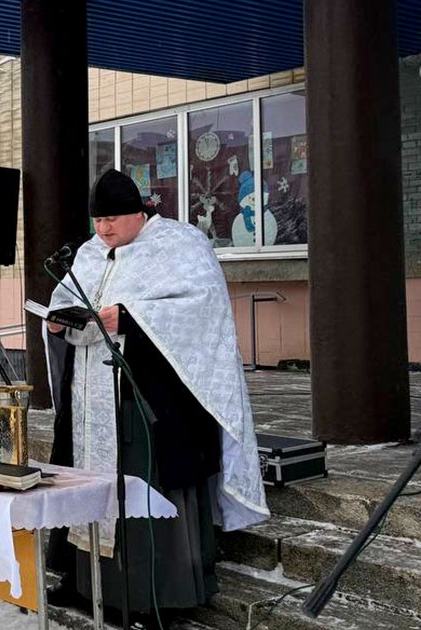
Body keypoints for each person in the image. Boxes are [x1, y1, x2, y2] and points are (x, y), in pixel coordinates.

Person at [43, 169, 268, 623]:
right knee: (88, 487)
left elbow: (199, 313)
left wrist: (127, 318)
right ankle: (86, 584)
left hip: (149, 401)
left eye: (113, 219)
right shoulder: (90, 253)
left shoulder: (180, 246)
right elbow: (67, 301)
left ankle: (152, 595)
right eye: (97, 220)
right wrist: (56, 321)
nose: (104, 229)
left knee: (143, 494)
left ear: (139, 212)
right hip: (92, 400)